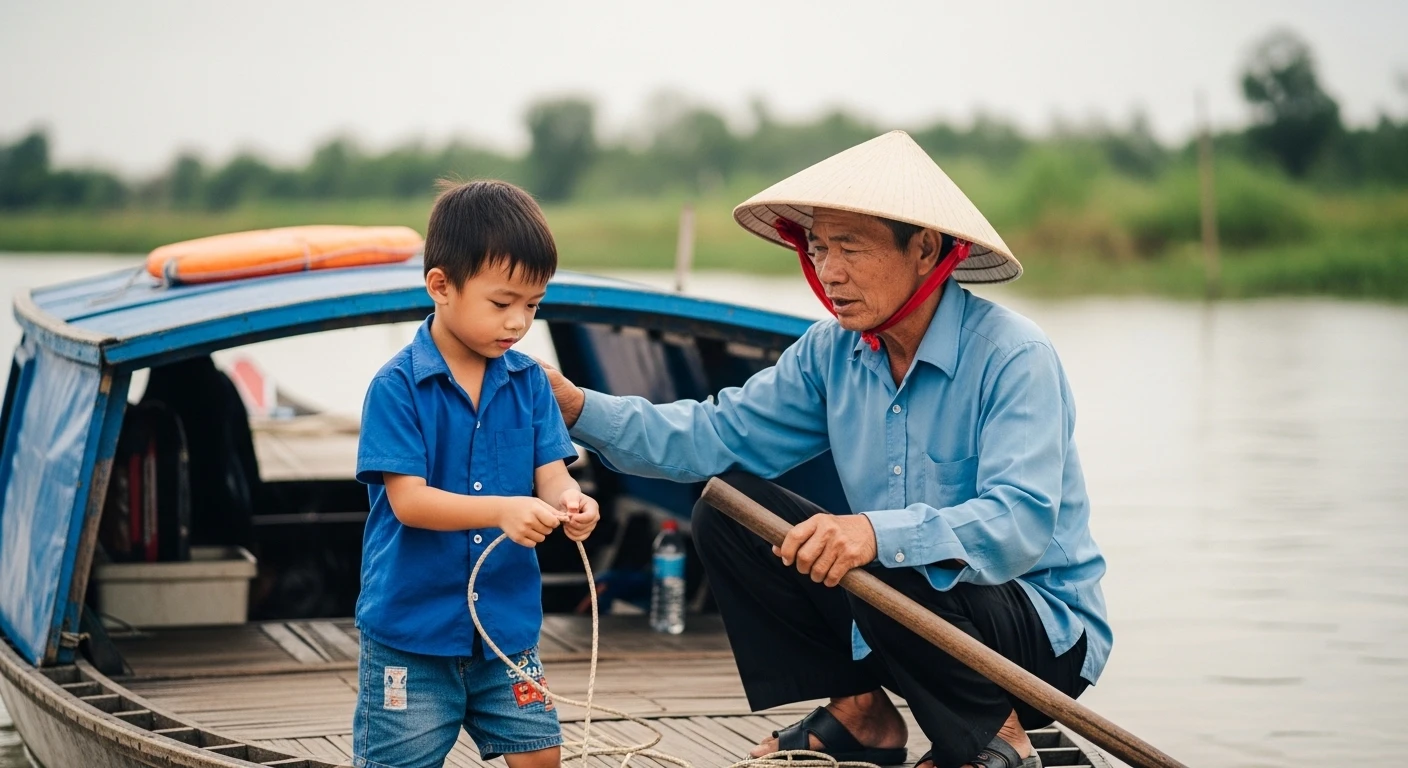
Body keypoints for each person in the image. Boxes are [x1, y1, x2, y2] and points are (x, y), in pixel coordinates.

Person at [541, 132, 1110, 768]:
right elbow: (711, 437)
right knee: (729, 510)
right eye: (818, 248)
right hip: (902, 621)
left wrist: (872, 534)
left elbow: (1020, 523)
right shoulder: (830, 352)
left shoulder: (1013, 355)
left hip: (1032, 644)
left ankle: (995, 737)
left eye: (850, 248)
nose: (829, 271)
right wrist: (575, 406)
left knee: (896, 547)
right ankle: (861, 711)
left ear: (925, 250)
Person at [353, 180, 600, 768]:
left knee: (540, 757)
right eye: (501, 303)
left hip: (506, 632)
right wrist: (501, 510)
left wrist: (573, 502)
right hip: (411, 636)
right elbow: (409, 502)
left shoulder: (532, 383)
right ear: (441, 285)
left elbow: (551, 474)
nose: (519, 322)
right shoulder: (396, 387)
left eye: (533, 306)